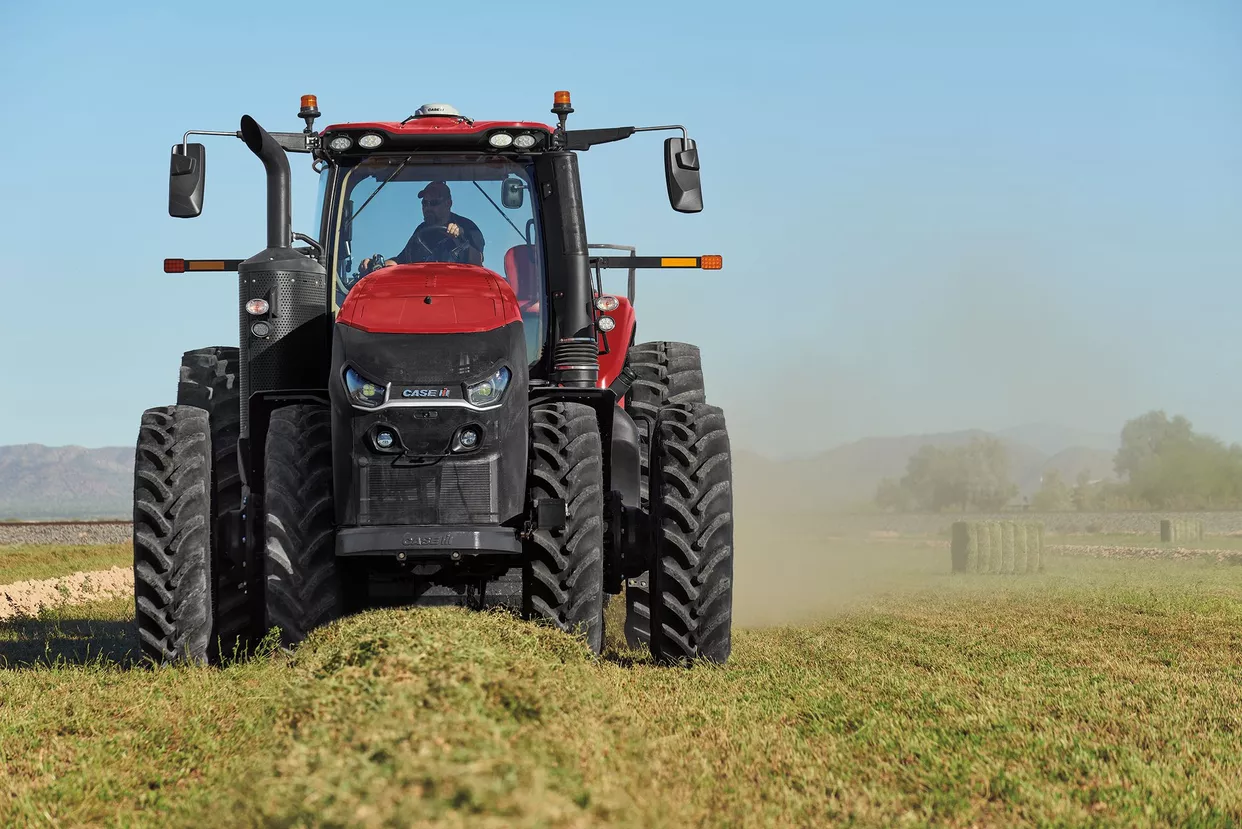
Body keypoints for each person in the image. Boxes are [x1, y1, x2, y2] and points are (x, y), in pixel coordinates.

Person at [361, 181, 485, 272]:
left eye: (434, 203)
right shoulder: (421, 231)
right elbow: (401, 260)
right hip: (424, 292)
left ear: (448, 203)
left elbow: (478, 263)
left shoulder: (468, 228)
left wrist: (459, 237)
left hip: (460, 291)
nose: (428, 208)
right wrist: (377, 265)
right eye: (424, 203)